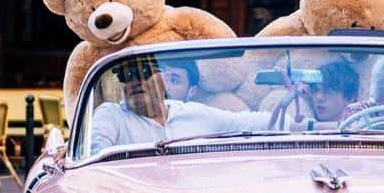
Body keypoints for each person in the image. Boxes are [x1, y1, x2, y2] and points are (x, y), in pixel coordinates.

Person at [89, 55, 261, 156]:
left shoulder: (192, 113)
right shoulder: (111, 115)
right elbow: (94, 153)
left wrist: (284, 108)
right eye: (126, 75)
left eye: (144, 73)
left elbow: (249, 123)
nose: (135, 81)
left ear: (164, 79)